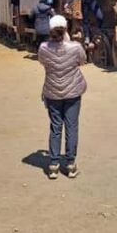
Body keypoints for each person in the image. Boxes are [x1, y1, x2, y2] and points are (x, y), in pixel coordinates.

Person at [38, 15, 87, 180]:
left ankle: (53, 165)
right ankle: (71, 165)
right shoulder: (75, 47)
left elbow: (43, 62)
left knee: (55, 127)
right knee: (72, 127)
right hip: (73, 92)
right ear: (66, 28)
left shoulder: (43, 48)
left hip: (52, 93)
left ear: (50, 30)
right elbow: (82, 62)